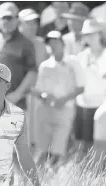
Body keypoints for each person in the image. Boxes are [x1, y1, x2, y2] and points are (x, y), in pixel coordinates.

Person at [0, 2, 38, 186]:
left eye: (10, 18)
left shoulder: (26, 43)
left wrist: (16, 94)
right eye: (3, 18)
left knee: (18, 150)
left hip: (16, 103)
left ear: (17, 20)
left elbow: (32, 73)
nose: (6, 21)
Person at [30, 31, 85, 169]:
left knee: (58, 151)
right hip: (46, 110)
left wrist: (63, 100)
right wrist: (46, 97)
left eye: (56, 42)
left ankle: (52, 181)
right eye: (49, 43)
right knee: (42, 150)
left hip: (65, 110)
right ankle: (38, 182)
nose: (52, 45)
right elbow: (37, 90)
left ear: (63, 43)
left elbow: (81, 87)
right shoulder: (44, 65)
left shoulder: (73, 62)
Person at [74, 19, 106, 154]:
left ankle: (99, 174)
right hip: (82, 104)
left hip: (102, 104)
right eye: (86, 34)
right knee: (81, 144)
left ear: (100, 34)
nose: (88, 37)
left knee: (99, 146)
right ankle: (83, 173)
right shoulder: (81, 56)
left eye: (92, 34)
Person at [18, 8, 50, 150]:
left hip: (37, 97)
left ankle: (34, 170)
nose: (33, 26)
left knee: (37, 139)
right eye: (28, 23)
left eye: (35, 23)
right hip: (19, 96)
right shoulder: (14, 43)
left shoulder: (42, 44)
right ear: (20, 24)